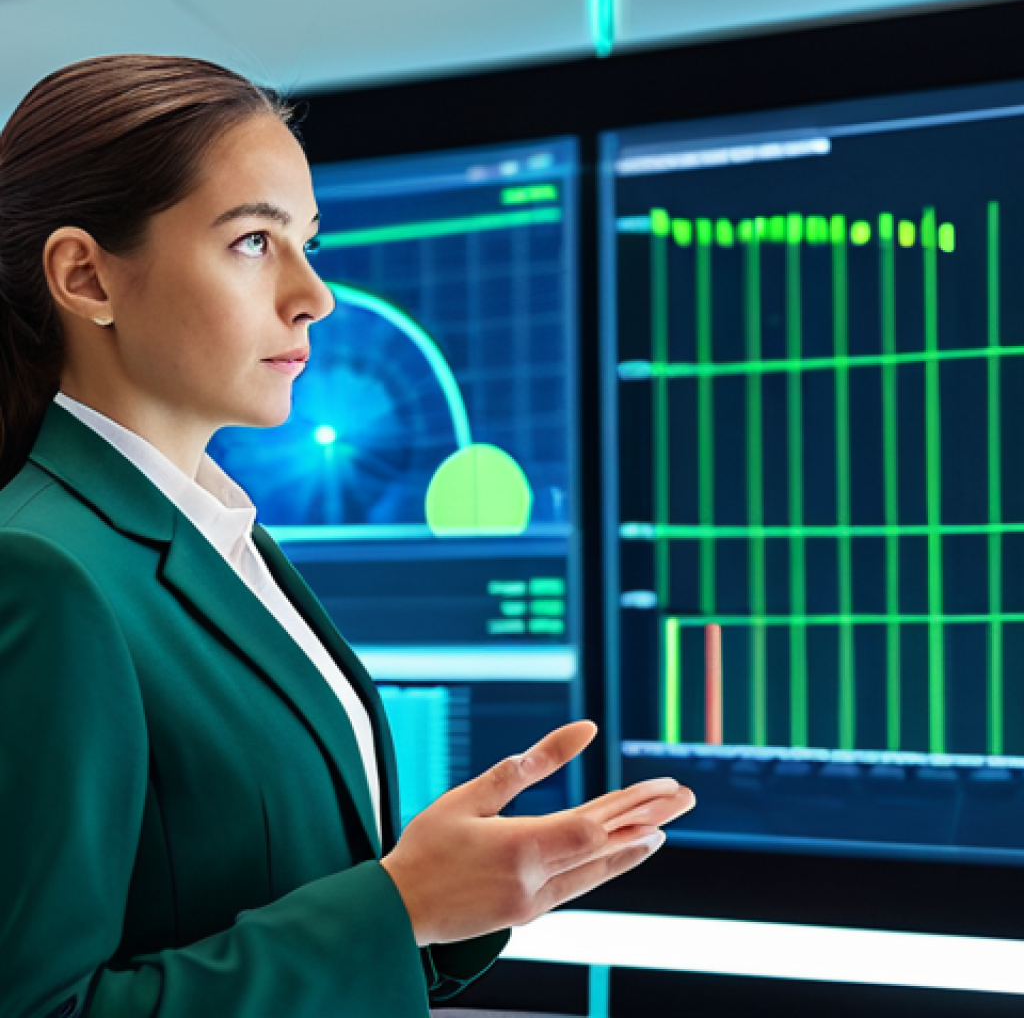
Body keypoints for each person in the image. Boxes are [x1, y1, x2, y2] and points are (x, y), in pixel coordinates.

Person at [0, 55, 694, 1017]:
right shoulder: (43, 570)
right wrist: (398, 906)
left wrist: (445, 906)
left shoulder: (210, 533)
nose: (313, 295)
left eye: (309, 243)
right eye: (253, 241)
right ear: (86, 275)